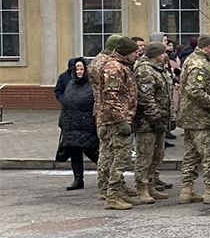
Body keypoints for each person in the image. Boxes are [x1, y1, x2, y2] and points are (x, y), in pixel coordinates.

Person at [95, 37, 140, 210]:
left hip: (119, 117)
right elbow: (111, 96)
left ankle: (118, 192)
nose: (137, 55)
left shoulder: (120, 66)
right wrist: (121, 120)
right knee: (121, 157)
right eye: (135, 52)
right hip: (115, 120)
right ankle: (112, 195)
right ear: (126, 52)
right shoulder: (113, 68)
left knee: (120, 156)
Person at [177, 34, 210, 205]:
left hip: (191, 117)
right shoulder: (200, 64)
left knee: (191, 154)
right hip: (200, 118)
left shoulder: (194, 60)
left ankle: (186, 190)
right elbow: (194, 90)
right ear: (204, 47)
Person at [132, 42, 172, 203]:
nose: (165, 55)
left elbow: (166, 95)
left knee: (157, 155)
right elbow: (146, 98)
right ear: (155, 54)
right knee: (145, 156)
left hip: (159, 120)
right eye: (162, 53)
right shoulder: (145, 71)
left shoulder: (159, 69)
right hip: (146, 123)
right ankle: (141, 188)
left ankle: (150, 185)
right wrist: (155, 118)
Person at [56, 58, 99, 191]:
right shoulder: (70, 84)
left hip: (87, 125)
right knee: (74, 152)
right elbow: (65, 103)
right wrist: (62, 122)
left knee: (93, 152)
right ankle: (78, 179)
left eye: (82, 69)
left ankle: (108, 176)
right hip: (71, 125)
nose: (79, 72)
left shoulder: (93, 85)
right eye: (77, 69)